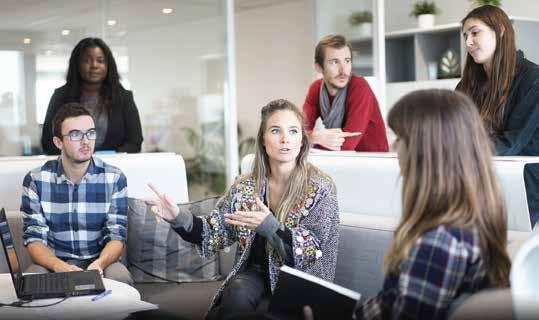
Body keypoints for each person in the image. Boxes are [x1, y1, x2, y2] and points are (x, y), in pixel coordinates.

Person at [148, 99, 340, 319]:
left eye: (293, 131)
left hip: (299, 280)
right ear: (263, 140)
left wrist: (270, 227)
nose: (285, 139)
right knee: (235, 293)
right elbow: (215, 231)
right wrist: (177, 217)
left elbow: (312, 251)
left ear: (302, 141)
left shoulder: (320, 188)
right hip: (255, 275)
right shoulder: (245, 186)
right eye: (276, 130)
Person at [353, 89, 511, 319]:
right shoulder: (470, 222)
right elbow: (390, 301)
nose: (394, 148)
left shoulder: (439, 243)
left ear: (425, 152)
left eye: (400, 139)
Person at [22, 103, 133, 285]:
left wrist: (98, 264)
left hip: (101, 263)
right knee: (31, 280)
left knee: (120, 277)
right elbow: (34, 239)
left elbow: (116, 236)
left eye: (90, 133)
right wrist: (61, 268)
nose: (86, 141)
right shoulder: (36, 180)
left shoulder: (114, 178)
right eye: (75, 134)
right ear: (58, 142)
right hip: (54, 264)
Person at [456, 5, 539, 228]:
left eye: (475, 33)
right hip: (479, 180)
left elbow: (510, 144)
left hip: (523, 187)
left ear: (500, 30)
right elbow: (451, 132)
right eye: (465, 36)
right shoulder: (466, 85)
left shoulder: (533, 79)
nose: (468, 43)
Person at [41, 37, 143, 155]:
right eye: (87, 61)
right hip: (71, 168)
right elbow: (48, 141)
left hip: (114, 167)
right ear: (77, 64)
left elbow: (135, 142)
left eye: (100, 60)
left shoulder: (123, 97)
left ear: (108, 65)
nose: (94, 65)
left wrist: (108, 158)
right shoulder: (61, 96)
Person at [302, 34, 388, 152]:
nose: (343, 70)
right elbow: (299, 132)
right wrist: (315, 137)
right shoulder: (316, 89)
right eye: (334, 62)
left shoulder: (359, 87)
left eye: (347, 61)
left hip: (373, 162)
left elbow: (347, 144)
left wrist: (313, 138)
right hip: (341, 161)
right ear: (318, 67)